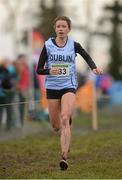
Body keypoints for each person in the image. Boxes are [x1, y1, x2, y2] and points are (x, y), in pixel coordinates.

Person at [37, 16, 103, 170]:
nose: (61, 29)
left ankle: (64, 156)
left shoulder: (74, 45)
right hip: (52, 87)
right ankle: (65, 128)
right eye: (58, 26)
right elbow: (39, 69)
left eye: (64, 26)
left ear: (68, 29)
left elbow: (86, 56)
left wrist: (94, 68)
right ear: (55, 29)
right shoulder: (47, 45)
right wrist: (49, 70)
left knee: (65, 118)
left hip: (69, 85)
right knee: (55, 126)